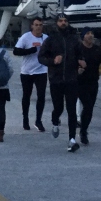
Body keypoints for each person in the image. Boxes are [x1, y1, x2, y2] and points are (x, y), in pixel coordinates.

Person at [38, 13, 82, 152]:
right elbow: (41, 57)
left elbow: (80, 54)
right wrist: (53, 61)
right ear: (56, 23)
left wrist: (81, 63)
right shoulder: (51, 39)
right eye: (61, 21)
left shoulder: (74, 39)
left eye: (65, 21)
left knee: (71, 109)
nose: (63, 23)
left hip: (71, 79)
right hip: (56, 79)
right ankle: (55, 121)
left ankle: (72, 139)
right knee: (58, 107)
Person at [12, 17, 48, 132]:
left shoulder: (46, 38)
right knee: (27, 95)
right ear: (32, 26)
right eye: (36, 25)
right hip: (27, 71)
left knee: (41, 96)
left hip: (41, 71)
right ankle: (25, 118)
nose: (38, 27)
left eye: (40, 25)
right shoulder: (26, 37)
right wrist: (30, 50)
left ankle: (38, 120)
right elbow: (16, 51)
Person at [75, 29, 101, 146]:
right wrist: (77, 69)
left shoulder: (98, 49)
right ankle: (82, 131)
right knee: (87, 105)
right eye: (88, 33)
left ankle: (84, 129)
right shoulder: (78, 49)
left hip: (93, 82)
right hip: (80, 82)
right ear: (83, 36)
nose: (90, 35)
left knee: (90, 108)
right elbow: (70, 62)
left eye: (92, 33)